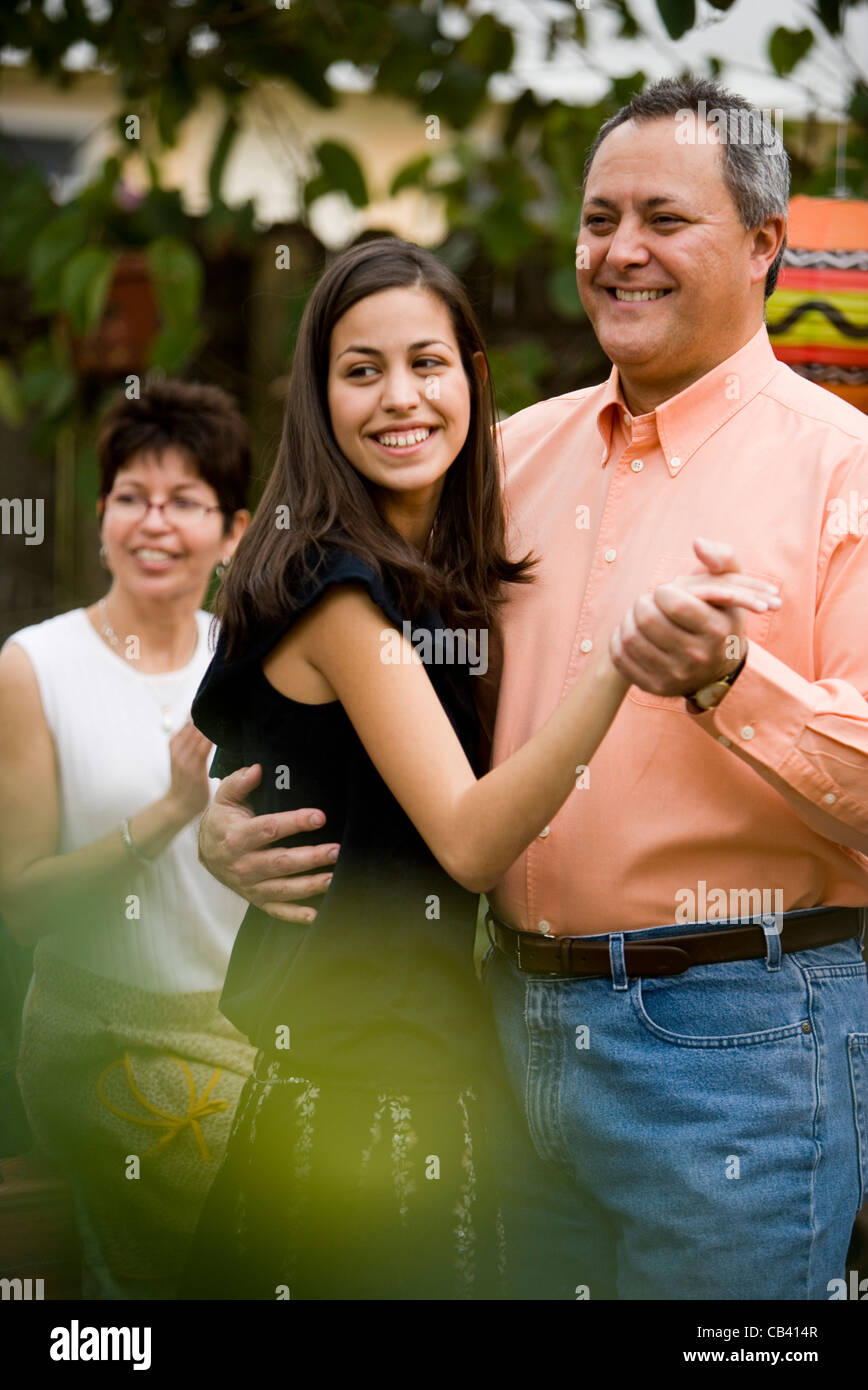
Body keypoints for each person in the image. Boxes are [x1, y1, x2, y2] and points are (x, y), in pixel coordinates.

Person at [197, 77, 868, 1302]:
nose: (621, 251)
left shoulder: (843, 470)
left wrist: (732, 679)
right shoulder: (505, 456)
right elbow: (338, 678)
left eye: (664, 218)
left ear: (765, 243)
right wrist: (234, 811)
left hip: (740, 1045)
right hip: (499, 1038)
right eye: (598, 218)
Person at [0, 379, 255, 1299]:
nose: (155, 522)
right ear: (101, 514)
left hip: (248, 1028)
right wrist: (166, 816)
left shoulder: (251, 663)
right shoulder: (37, 666)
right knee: (247, 1203)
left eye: (186, 501)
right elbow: (23, 905)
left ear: (233, 533)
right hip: (98, 1029)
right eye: (132, 498)